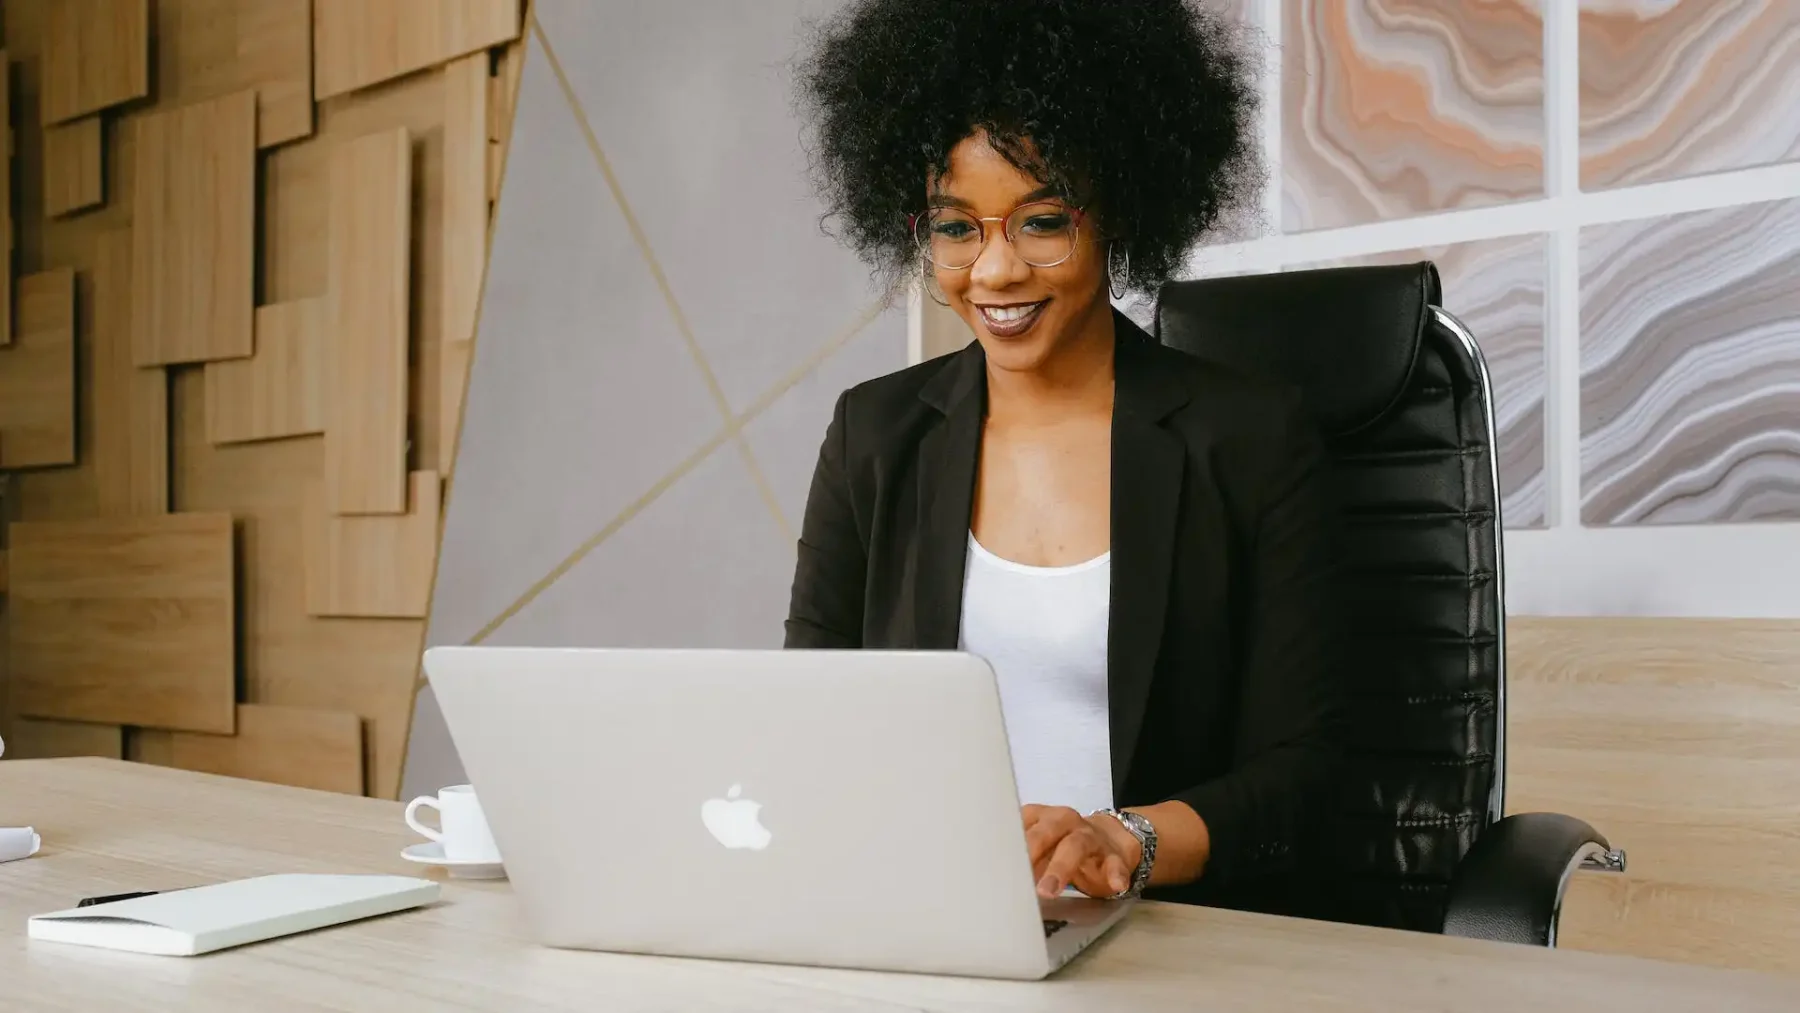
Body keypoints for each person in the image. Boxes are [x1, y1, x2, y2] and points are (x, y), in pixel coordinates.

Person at [786, 0, 1346, 917]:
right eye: (956, 227)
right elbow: (812, 712)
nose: (994, 271)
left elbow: (1308, 770)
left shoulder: (1249, 437)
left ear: (1121, 209)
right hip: (932, 920)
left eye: (1042, 222)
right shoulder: (876, 434)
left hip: (1174, 932)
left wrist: (1126, 839)